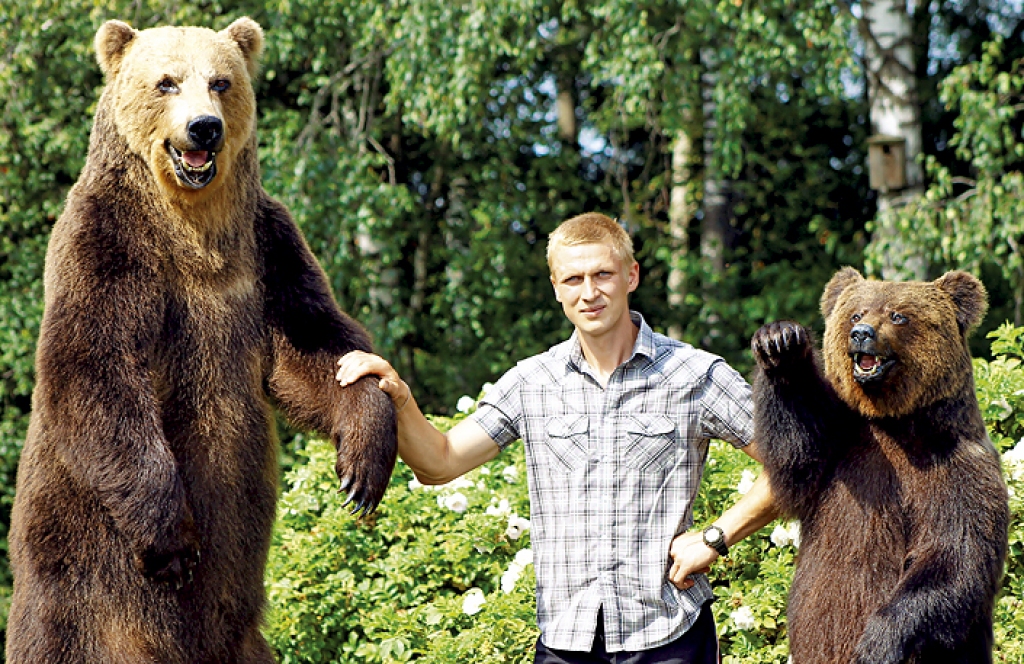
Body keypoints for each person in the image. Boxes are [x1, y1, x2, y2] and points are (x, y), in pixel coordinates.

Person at [336, 212, 778, 663]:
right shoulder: (532, 383)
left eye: (603, 274)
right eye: (573, 279)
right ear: (555, 287)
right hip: (565, 642)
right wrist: (399, 396)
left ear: (631, 275)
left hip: (670, 639)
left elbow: (797, 465)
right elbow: (440, 462)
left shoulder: (695, 374)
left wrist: (716, 537)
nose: (589, 293)